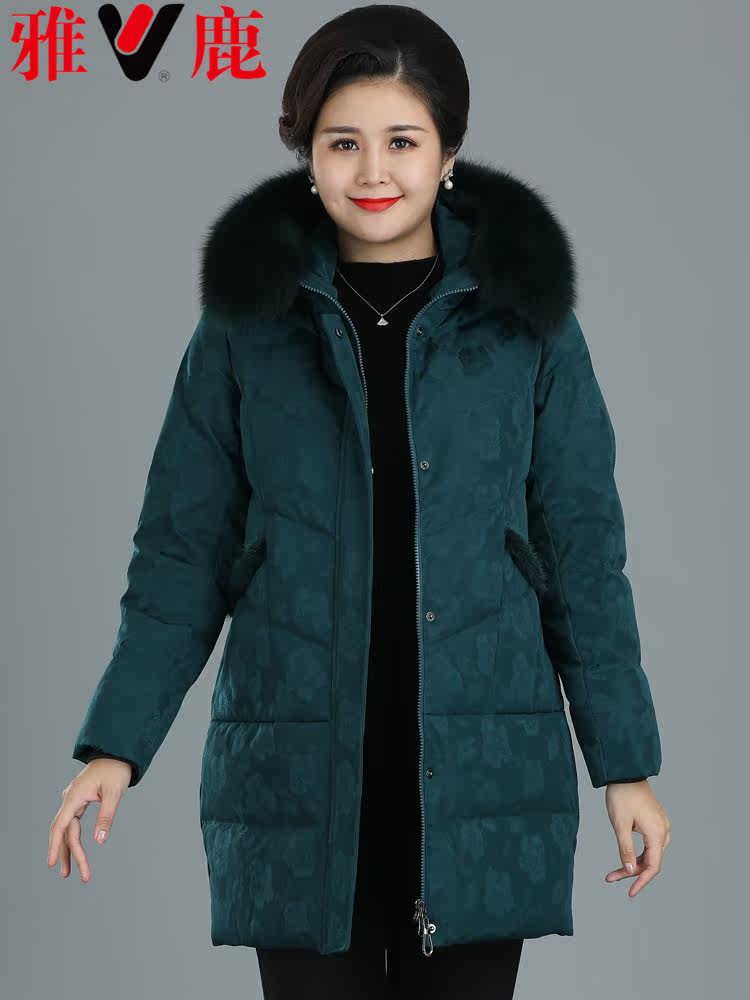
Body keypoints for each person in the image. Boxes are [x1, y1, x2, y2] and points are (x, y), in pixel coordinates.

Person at [48, 5, 671, 998]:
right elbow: (180, 554)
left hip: (480, 779)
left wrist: (624, 764)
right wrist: (114, 748)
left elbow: (583, 554)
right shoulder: (246, 326)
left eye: (402, 141)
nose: (373, 171)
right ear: (307, 153)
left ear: (449, 153)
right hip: (300, 781)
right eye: (343, 142)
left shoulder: (527, 325)